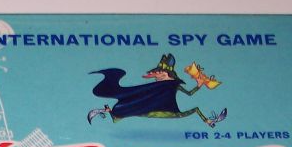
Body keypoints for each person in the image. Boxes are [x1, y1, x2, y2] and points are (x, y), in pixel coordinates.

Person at [87, 53, 227, 127]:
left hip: (170, 112)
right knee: (134, 109)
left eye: (159, 73)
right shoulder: (157, 87)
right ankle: (110, 112)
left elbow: (190, 94)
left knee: (195, 109)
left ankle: (209, 121)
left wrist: (199, 84)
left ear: (166, 73)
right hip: (152, 110)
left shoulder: (173, 85)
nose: (156, 75)